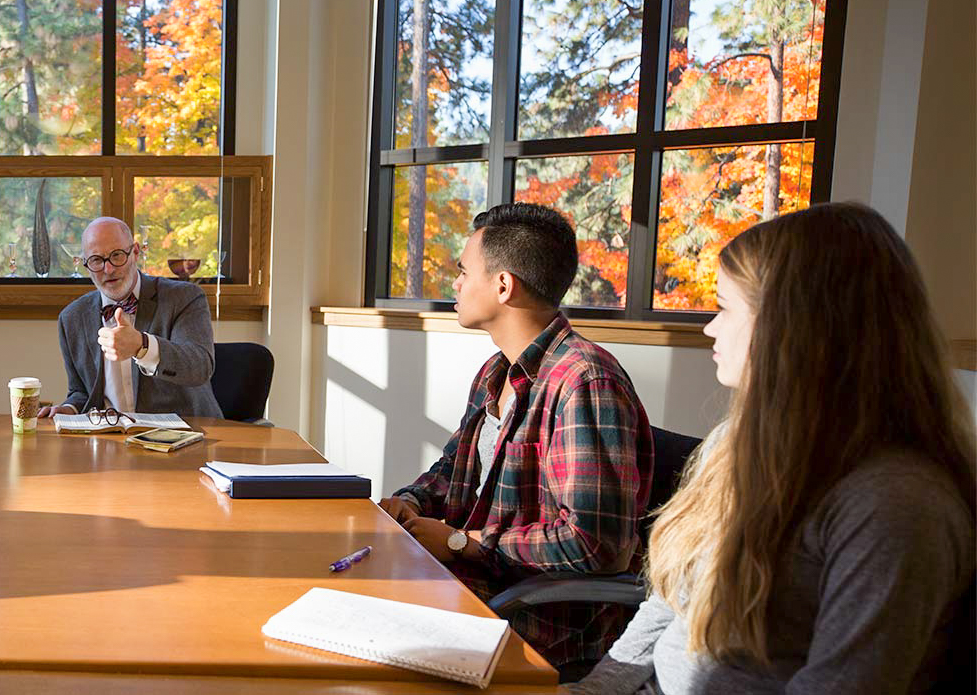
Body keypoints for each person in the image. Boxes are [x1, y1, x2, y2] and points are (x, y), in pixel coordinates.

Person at [565, 203, 975, 694]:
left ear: (794, 328)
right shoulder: (733, 444)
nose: (710, 329)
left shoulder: (895, 505)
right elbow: (669, 604)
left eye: (724, 308)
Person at [376, 203, 655, 670]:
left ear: (503, 285)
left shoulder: (584, 382)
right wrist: (411, 505)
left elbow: (597, 546)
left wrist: (462, 542)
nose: (456, 284)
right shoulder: (496, 370)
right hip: (468, 587)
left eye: (464, 272)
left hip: (534, 624)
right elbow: (452, 471)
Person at [36, 217, 223, 419]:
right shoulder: (72, 318)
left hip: (184, 436)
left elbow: (200, 367)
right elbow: (80, 392)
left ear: (135, 252)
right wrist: (69, 409)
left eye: (116, 255)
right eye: (97, 260)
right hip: (110, 438)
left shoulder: (183, 297)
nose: (108, 269)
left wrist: (142, 346)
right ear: (86, 265)